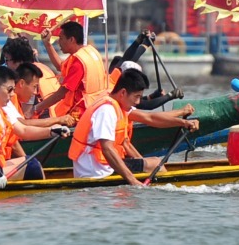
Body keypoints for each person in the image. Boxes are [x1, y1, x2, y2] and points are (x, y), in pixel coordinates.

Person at [68, 69, 197, 186]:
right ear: (123, 92)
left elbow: (150, 118)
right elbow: (107, 149)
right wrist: (133, 181)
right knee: (156, 163)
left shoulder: (117, 103)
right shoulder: (106, 110)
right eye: (137, 97)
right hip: (96, 172)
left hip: (103, 166)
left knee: (151, 162)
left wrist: (183, 123)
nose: (138, 102)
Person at [37, 20, 107, 120]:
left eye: (61, 38)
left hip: (82, 114)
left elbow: (60, 94)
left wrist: (36, 108)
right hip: (97, 108)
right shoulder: (89, 51)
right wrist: (47, 44)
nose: (58, 42)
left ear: (71, 40)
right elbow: (61, 66)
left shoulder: (79, 62)